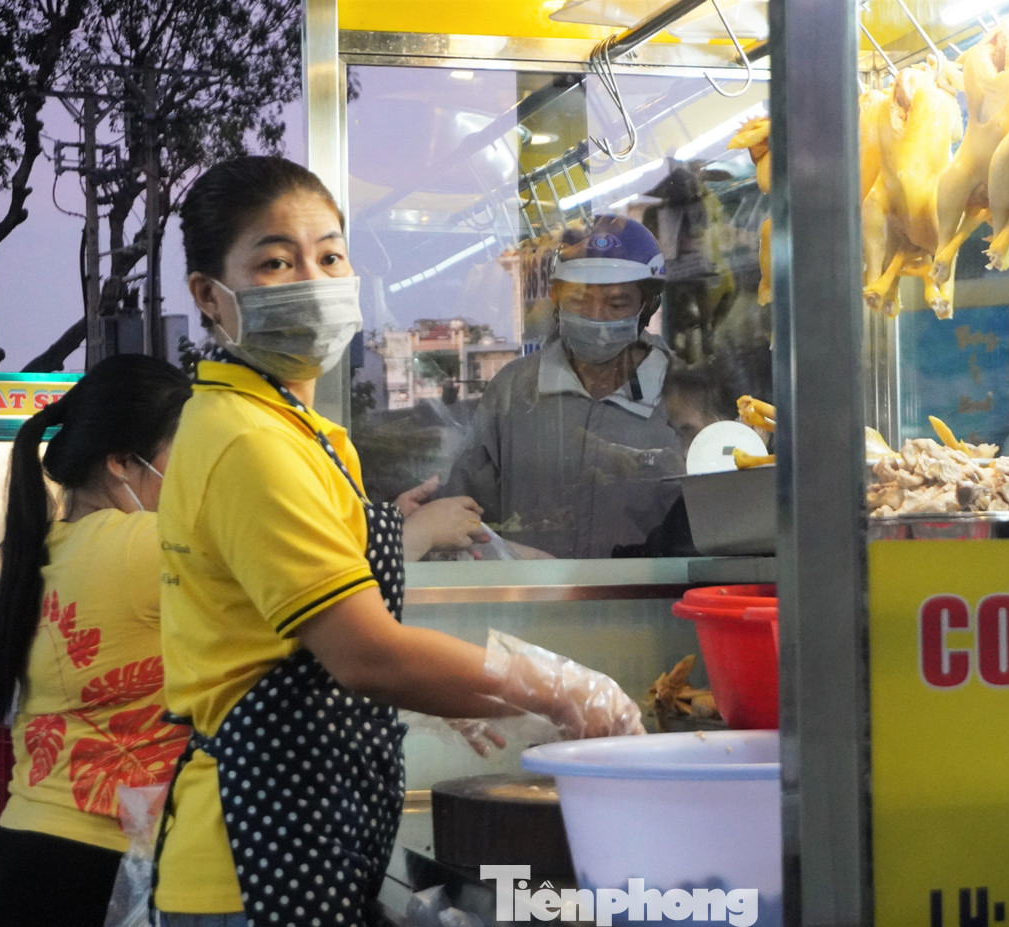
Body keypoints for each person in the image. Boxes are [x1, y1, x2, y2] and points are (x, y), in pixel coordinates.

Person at [154, 155, 642, 927]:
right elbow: (365, 653)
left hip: (303, 837)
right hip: (248, 867)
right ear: (209, 297)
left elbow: (289, 645)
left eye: (329, 255)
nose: (313, 278)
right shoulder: (248, 441)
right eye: (276, 261)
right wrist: (555, 686)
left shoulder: (298, 430)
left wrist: (443, 697)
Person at [0, 354, 193, 927]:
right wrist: (402, 534)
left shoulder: (47, 548)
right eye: (186, 454)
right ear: (122, 461)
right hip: (92, 869)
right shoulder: (145, 543)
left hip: (23, 851)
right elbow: (293, 584)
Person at [444, 214, 687, 558]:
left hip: (653, 598)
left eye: (617, 304)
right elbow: (463, 509)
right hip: (532, 600)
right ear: (556, 301)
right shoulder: (515, 391)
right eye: (579, 300)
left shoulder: (682, 389)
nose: (596, 316)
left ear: (648, 306)